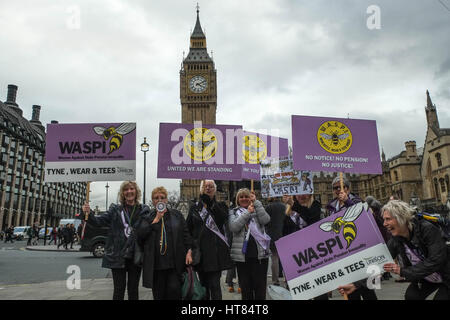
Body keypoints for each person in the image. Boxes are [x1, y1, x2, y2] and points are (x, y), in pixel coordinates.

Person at [82, 180, 150, 300]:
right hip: (118, 255)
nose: (129, 191)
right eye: (126, 189)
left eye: (131, 189)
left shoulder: (143, 210)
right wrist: (89, 213)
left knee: (133, 290)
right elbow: (98, 222)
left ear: (136, 191)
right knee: (119, 290)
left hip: (136, 255)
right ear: (122, 193)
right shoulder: (115, 210)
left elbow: (149, 230)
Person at [382, 200, 450, 300]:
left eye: (388, 219)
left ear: (401, 218)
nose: (384, 224)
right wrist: (356, 284)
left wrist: (403, 271)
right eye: (384, 220)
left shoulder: (427, 229)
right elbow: (381, 258)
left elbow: (436, 260)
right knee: (412, 296)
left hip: (446, 274)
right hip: (428, 277)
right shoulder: (396, 239)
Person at [136, 186, 193, 300]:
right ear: (153, 201)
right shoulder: (148, 217)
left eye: (162, 197)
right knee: (159, 296)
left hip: (174, 265)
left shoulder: (176, 215)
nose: (160, 200)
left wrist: (189, 251)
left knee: (175, 294)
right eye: (156, 198)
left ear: (166, 200)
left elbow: (186, 235)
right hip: (156, 267)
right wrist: (156, 220)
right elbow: (140, 237)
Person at [186, 180, 233, 300]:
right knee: (203, 288)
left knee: (215, 287)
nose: (208, 188)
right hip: (200, 254)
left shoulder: (221, 206)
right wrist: (190, 249)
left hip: (215, 254)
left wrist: (212, 204)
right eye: (205, 186)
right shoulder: (195, 208)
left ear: (215, 190)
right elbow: (188, 230)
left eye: (211, 186)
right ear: (201, 189)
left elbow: (223, 219)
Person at [283, 193, 329, 300]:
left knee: (319, 292)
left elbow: (311, 218)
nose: (301, 196)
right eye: (298, 193)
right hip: (297, 257)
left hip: (314, 255)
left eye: (304, 193)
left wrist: (293, 205)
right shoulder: (288, 211)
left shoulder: (315, 205)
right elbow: (285, 233)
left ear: (310, 193)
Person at [229, 188, 271, 300]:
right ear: (237, 199)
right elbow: (234, 227)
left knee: (260, 290)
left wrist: (256, 203)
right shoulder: (233, 212)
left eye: (246, 196)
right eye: (241, 197)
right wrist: (247, 213)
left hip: (260, 256)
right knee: (246, 290)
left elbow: (266, 220)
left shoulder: (257, 208)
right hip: (242, 257)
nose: (244, 199)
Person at [265, 197, 286, 286]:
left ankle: (275, 280)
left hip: (272, 234)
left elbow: (265, 221)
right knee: (285, 258)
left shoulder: (268, 207)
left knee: (274, 257)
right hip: (283, 233)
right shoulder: (284, 206)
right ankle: (287, 279)